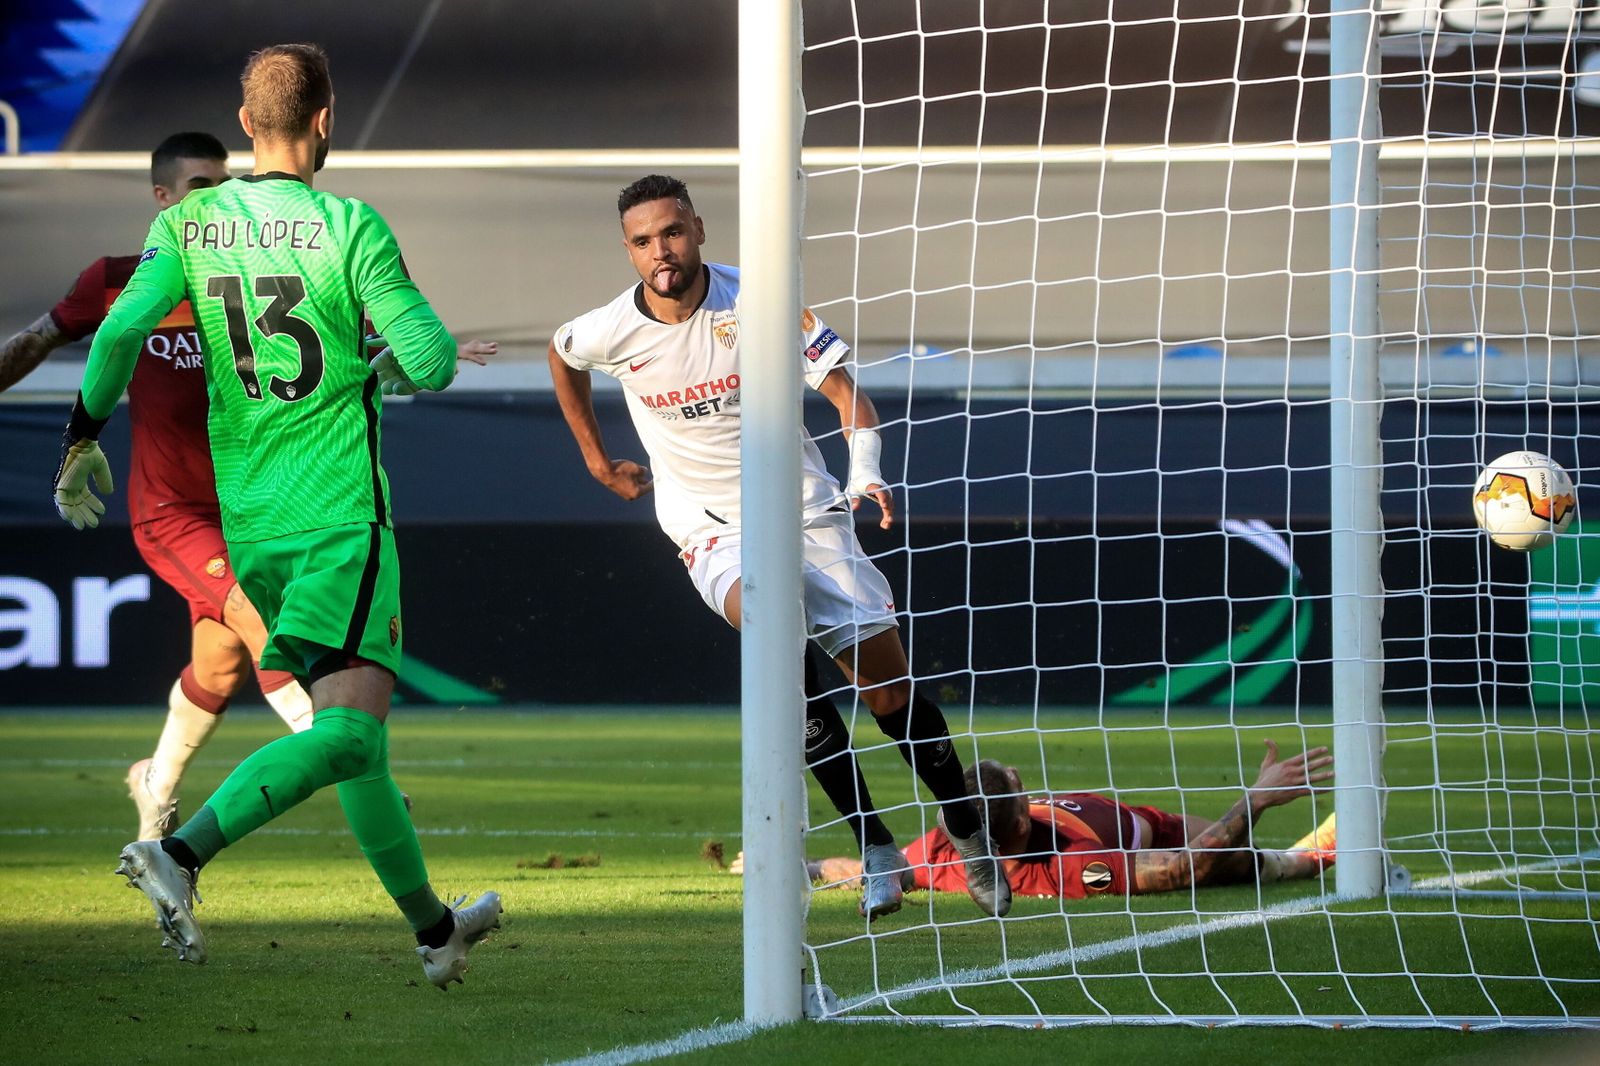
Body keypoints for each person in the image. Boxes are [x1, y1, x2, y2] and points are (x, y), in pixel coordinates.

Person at [52, 43, 501, 988]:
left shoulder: (195, 220)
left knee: (357, 736)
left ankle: (432, 930)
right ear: (327, 120)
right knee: (342, 733)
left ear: (247, 124)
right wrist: (380, 361)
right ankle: (182, 852)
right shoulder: (351, 226)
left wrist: (83, 432)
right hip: (337, 516)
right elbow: (430, 359)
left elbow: (124, 331)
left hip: (251, 526)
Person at [547, 173, 1011, 921]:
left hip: (805, 511)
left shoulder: (759, 301)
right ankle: (877, 848)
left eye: (671, 232)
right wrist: (597, 461)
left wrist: (865, 475)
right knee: (772, 634)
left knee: (888, 694)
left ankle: (965, 824)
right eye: (642, 241)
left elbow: (845, 392)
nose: (660, 252)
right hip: (710, 529)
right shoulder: (610, 327)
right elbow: (562, 355)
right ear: (627, 250)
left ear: (698, 228)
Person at [0, 132, 319, 843]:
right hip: (172, 514)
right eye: (203, 184)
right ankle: (346, 755)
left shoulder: (253, 274)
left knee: (221, 661)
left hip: (254, 506)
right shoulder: (117, 281)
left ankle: (156, 785)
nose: (220, 196)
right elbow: (38, 338)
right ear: (163, 198)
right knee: (263, 620)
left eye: (226, 181)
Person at [747, 741, 1338, 899]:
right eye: (1014, 777)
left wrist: (807, 864)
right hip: (1152, 834)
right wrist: (1254, 801)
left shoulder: (949, 847)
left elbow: (886, 871)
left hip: (1140, 819)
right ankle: (1317, 855)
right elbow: (1184, 868)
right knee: (1250, 866)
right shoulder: (1065, 869)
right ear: (1022, 814)